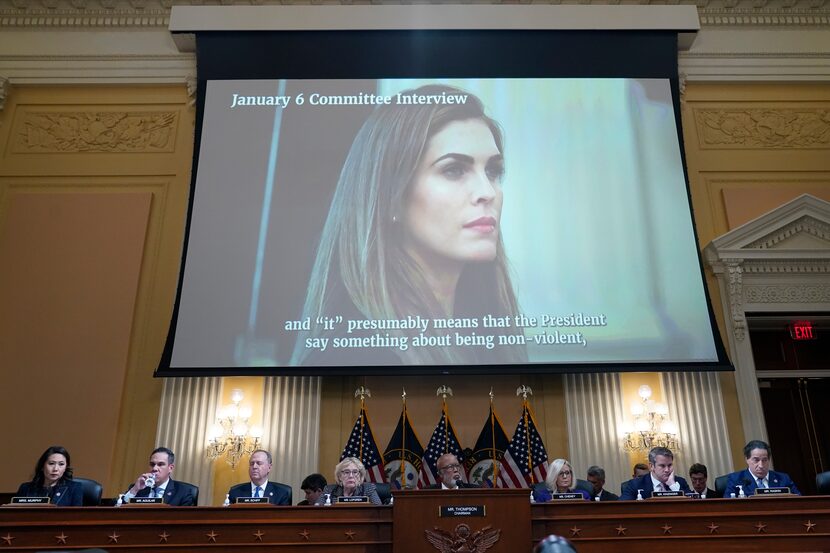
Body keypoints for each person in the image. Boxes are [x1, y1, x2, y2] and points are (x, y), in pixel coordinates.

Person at [290, 84, 527, 367]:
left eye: (493, 171)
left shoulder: (486, 339)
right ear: (391, 198)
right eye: (453, 170)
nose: (487, 191)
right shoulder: (351, 358)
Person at [724, 439, 801, 496]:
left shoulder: (783, 479)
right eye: (756, 460)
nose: (761, 465)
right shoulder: (736, 479)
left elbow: (799, 502)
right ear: (747, 459)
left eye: (764, 460)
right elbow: (728, 506)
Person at [122, 447, 196, 506]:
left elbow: (185, 520)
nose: (154, 469)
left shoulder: (183, 491)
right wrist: (134, 490)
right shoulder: (138, 489)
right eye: (152, 464)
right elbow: (119, 512)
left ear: (170, 468)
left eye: (160, 464)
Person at [15, 446, 83, 506]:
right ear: (42, 466)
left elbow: (76, 516)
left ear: (65, 468)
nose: (55, 469)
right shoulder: (25, 488)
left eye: (61, 464)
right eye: (51, 463)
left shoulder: (74, 488)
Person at [619, 446, 690, 500]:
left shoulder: (680, 482)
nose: (667, 470)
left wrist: (673, 486)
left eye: (670, 465)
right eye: (662, 466)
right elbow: (622, 508)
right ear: (651, 466)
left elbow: (693, 505)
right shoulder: (636, 484)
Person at [227, 450, 291, 505]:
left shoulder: (282, 493)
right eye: (252, 463)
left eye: (259, 463)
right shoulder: (235, 492)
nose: (254, 467)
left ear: (269, 467)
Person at [316, 457, 382, 505]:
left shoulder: (368, 489)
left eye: (355, 472)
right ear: (339, 476)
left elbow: (379, 511)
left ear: (360, 476)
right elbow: (316, 511)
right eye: (346, 472)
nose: (351, 476)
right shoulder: (329, 490)